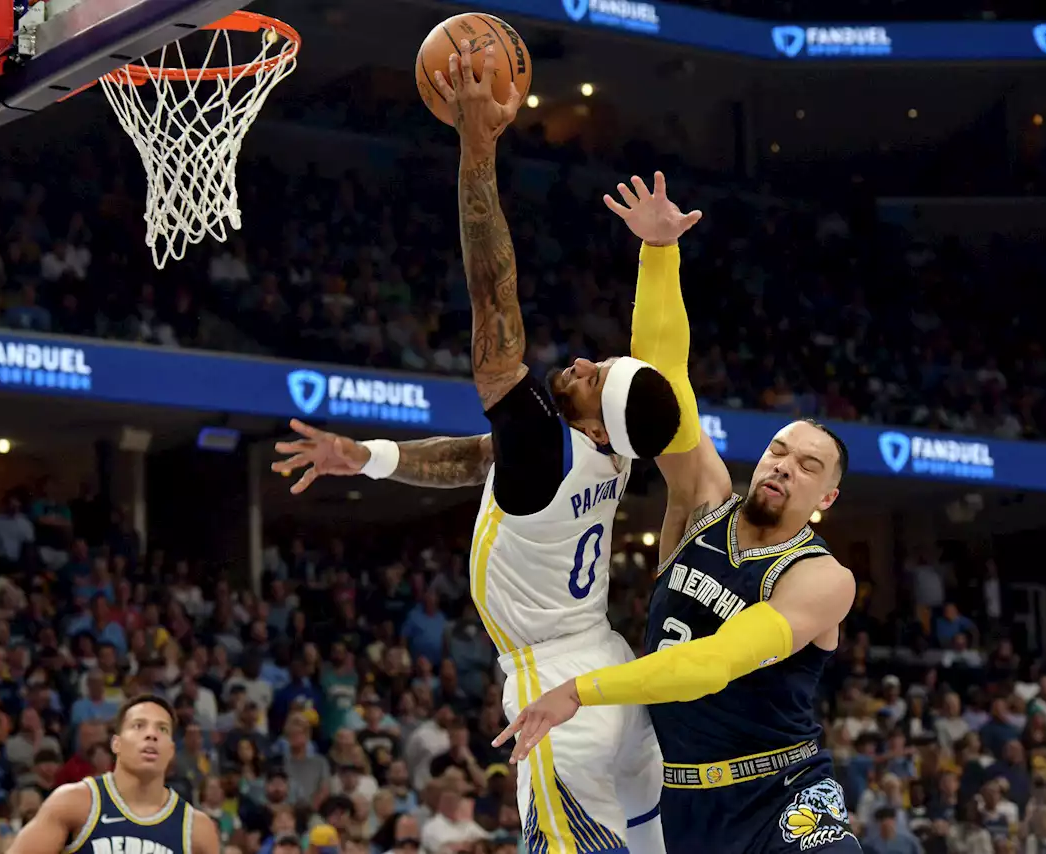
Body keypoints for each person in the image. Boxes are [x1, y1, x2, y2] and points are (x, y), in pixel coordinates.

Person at [274, 37, 704, 854]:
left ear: (586, 417)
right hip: (612, 671)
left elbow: (492, 290)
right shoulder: (601, 454)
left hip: (557, 693)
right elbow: (480, 460)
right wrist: (366, 457)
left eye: (591, 372)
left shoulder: (547, 443)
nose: (577, 361)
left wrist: (478, 146)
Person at [493, 241, 860, 852]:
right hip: (684, 802)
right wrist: (658, 251)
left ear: (828, 497)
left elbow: (714, 664)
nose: (784, 467)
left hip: (786, 795)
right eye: (778, 451)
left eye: (808, 466)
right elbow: (665, 386)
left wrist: (580, 691)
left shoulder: (822, 579)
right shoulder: (702, 503)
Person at [5, 695, 220, 854]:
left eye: (162, 729)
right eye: (139, 726)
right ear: (116, 744)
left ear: (171, 750)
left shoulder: (197, 828)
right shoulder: (75, 803)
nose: (151, 735)